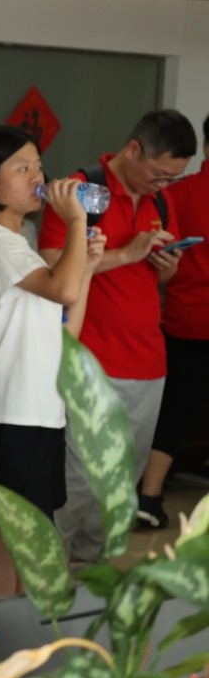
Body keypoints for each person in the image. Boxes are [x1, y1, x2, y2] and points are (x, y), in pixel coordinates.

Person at [38, 109, 196, 564]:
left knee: (121, 479)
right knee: (79, 477)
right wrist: (127, 253)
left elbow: (159, 276)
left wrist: (166, 265)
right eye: (159, 174)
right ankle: (49, 569)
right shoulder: (80, 190)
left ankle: (91, 567)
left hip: (149, 362)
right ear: (133, 150)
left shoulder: (159, 202)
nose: (163, 185)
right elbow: (52, 264)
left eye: (173, 178)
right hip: (92, 359)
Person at [0, 126, 105, 599]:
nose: (38, 177)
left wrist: (88, 270)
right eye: (22, 168)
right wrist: (77, 222)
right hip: (8, 415)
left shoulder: (23, 246)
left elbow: (65, 333)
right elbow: (62, 287)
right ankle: (7, 642)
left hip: (35, 414)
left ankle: (5, 640)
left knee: (18, 546)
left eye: (38, 166)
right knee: (20, 547)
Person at [139, 112, 209, 529]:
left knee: (176, 412)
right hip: (189, 321)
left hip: (183, 320)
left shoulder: (174, 193)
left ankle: (149, 496)